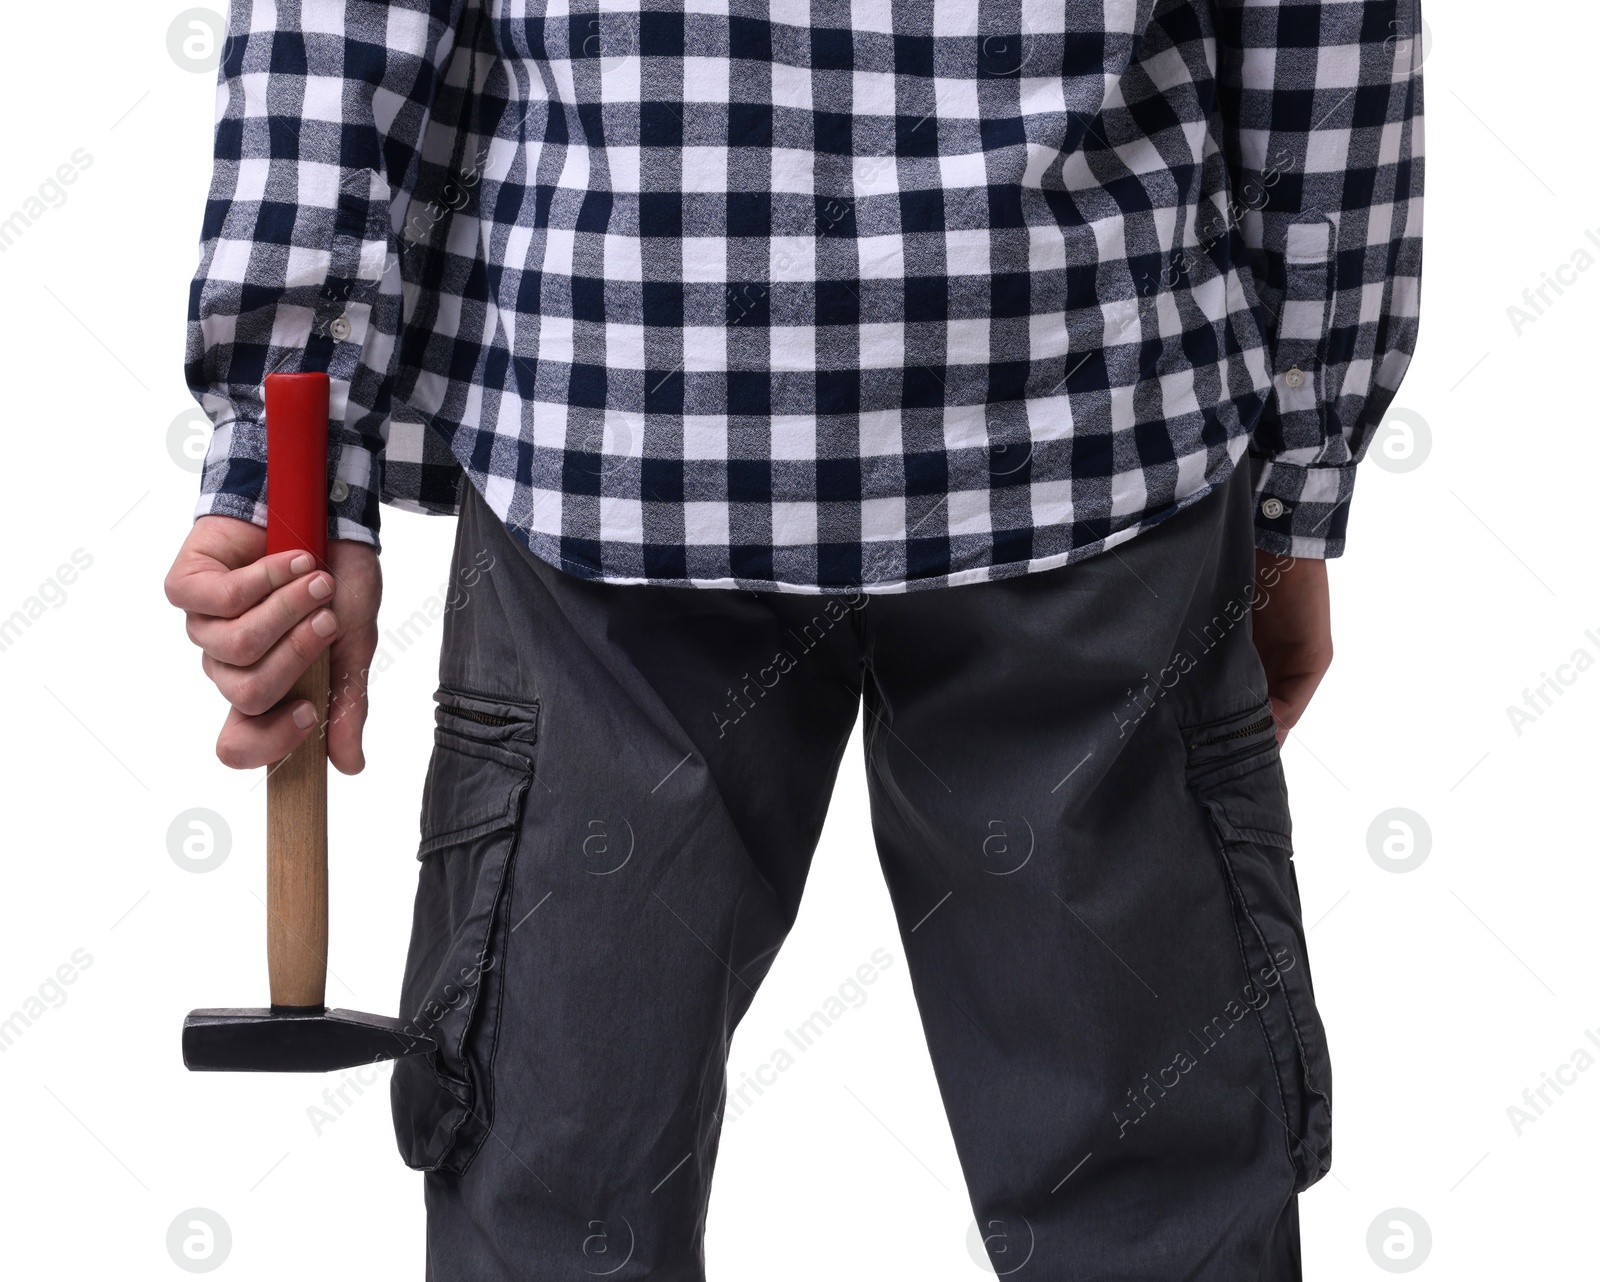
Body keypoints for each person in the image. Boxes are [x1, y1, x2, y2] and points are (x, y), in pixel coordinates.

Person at [166, 0, 1423, 1276]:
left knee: (558, 1189)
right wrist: (1297, 482)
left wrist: (293, 462)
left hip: (619, 423)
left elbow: (330, 30)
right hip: (1080, 422)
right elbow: (1324, 38)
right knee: (1158, 1213)